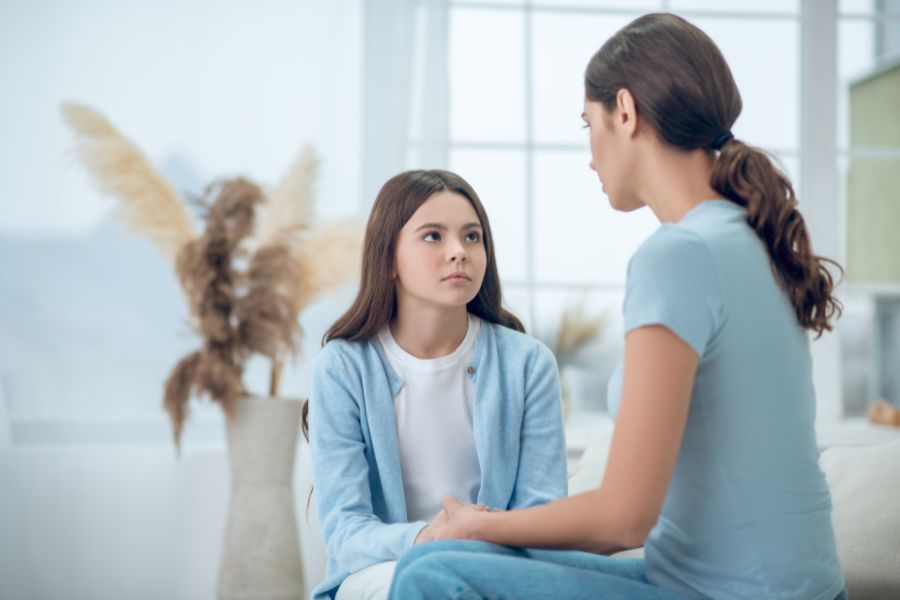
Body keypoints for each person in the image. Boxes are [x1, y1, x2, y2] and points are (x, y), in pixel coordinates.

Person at [388, 13, 848, 600]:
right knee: (452, 555)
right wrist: (479, 533)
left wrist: (480, 521)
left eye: (589, 124)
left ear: (625, 112)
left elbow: (625, 518)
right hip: (742, 584)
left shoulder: (679, 255)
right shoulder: (750, 238)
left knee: (434, 571)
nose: (589, 154)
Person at [306, 169, 568, 600]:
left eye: (471, 237)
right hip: (381, 570)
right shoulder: (342, 368)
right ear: (388, 258)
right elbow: (346, 531)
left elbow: (542, 515)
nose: (458, 252)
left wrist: (477, 538)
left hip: (494, 567)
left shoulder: (528, 364)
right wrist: (430, 538)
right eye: (433, 236)